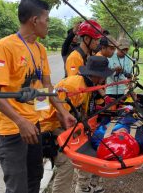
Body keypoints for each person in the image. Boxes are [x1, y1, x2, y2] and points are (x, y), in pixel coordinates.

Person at [0, 0, 76, 193]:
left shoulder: (40, 49)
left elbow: (44, 86)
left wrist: (61, 112)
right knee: (18, 188)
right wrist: (21, 122)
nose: (49, 25)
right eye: (48, 19)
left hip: (33, 127)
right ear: (35, 20)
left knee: (35, 177)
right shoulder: (5, 46)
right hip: (10, 131)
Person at [43, 56, 113, 193]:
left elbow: (82, 111)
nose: (104, 79)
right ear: (96, 75)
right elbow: (58, 113)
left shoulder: (88, 85)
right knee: (66, 163)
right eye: (103, 76)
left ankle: (83, 186)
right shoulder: (73, 86)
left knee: (90, 143)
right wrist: (76, 133)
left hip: (66, 124)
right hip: (50, 125)